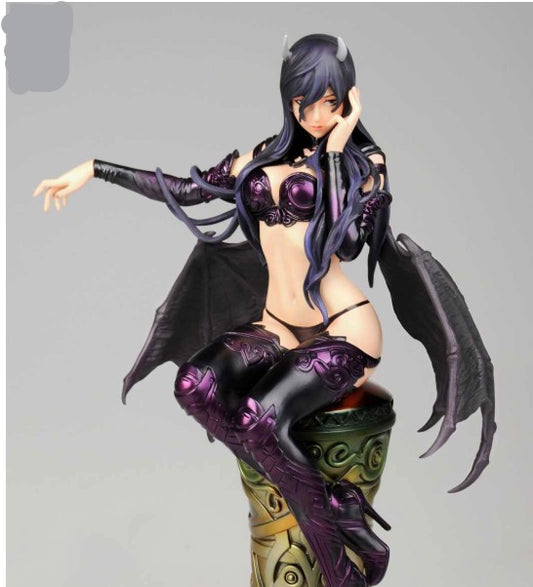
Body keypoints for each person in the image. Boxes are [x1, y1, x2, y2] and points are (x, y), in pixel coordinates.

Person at [33, 34, 495, 587]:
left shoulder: (364, 165)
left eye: (331, 101)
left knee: (258, 418)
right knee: (195, 386)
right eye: (305, 102)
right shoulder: (259, 157)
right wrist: (94, 168)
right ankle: (336, 501)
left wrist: (334, 150)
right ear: (289, 99)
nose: (317, 115)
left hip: (343, 330)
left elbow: (345, 241)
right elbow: (185, 188)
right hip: (276, 327)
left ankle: (339, 574)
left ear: (349, 98)